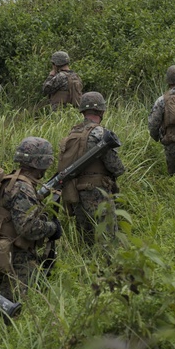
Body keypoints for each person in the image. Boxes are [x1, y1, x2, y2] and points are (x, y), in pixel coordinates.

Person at [0, 137, 62, 302]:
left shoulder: (13, 180)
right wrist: (52, 228)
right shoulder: (23, 187)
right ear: (41, 163)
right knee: (17, 305)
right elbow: (27, 228)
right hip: (16, 257)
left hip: (8, 252)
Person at [58, 92, 125, 241]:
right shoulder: (101, 134)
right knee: (108, 240)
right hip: (98, 193)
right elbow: (116, 168)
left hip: (76, 193)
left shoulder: (73, 133)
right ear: (101, 111)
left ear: (83, 111)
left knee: (85, 241)